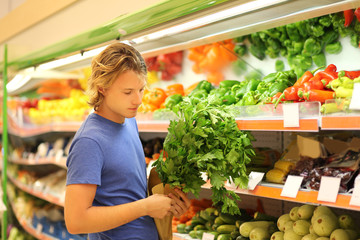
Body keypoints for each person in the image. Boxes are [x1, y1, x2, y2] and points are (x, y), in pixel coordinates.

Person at [65, 42, 190, 240]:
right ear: (102, 88)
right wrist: (145, 207)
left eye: (141, 89)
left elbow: (126, 190)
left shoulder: (128, 121)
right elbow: (76, 221)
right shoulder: (89, 141)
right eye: (128, 92)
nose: (138, 100)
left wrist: (167, 201)